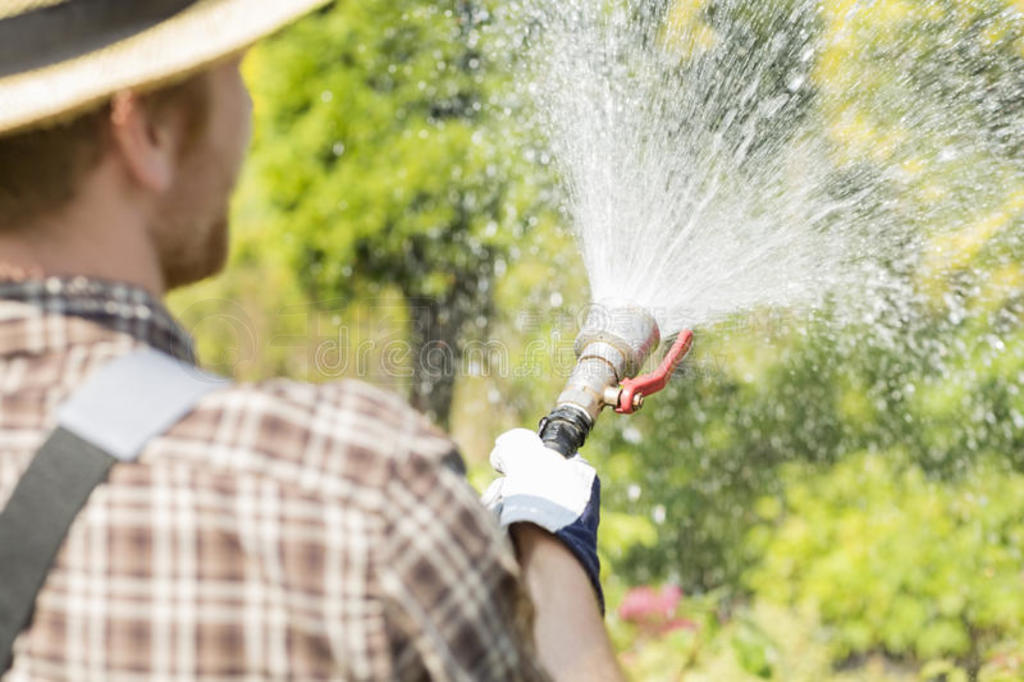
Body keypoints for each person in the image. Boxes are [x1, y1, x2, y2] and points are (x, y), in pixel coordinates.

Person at [0, 1, 624, 681]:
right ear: (148, 129)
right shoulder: (354, 495)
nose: (247, 112)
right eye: (233, 74)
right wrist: (550, 553)